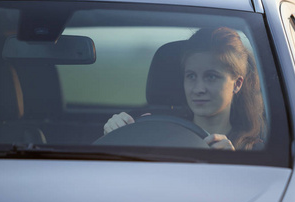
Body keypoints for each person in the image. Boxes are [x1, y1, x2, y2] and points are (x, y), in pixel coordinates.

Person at [103, 27, 265, 150]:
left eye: (211, 76)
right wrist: (115, 135)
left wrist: (232, 164)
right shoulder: (155, 133)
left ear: (237, 84)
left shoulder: (253, 150)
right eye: (191, 76)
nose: (198, 89)